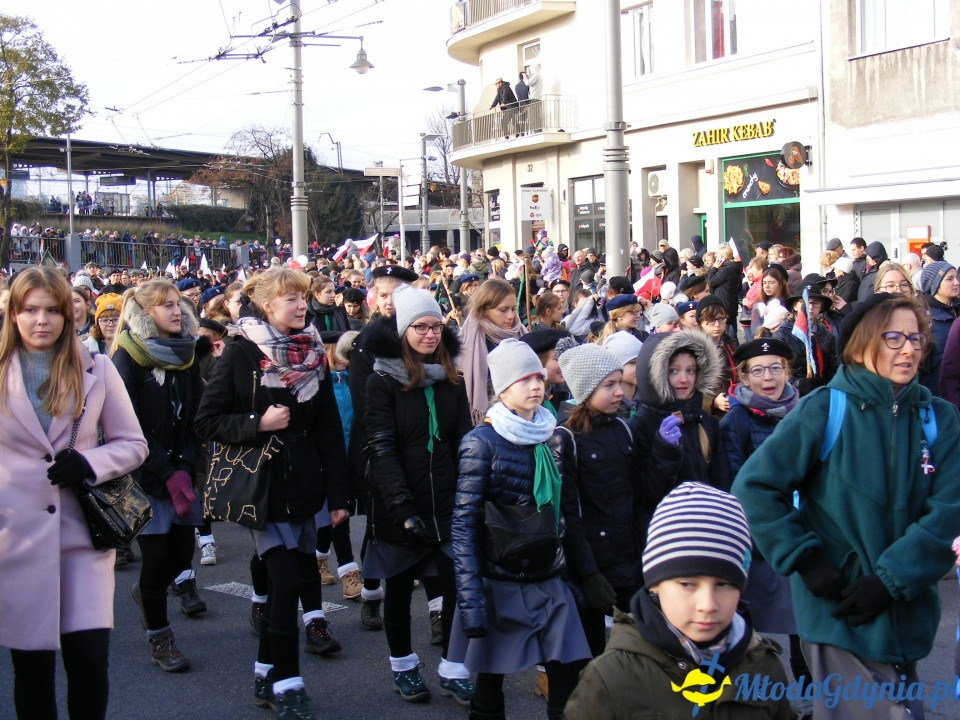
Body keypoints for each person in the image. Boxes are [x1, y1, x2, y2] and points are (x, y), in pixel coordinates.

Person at [732, 293, 960, 720]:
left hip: (908, 616)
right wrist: (805, 560)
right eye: (893, 338)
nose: (909, 349)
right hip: (837, 614)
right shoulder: (826, 407)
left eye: (916, 338)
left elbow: (949, 511)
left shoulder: (939, 418)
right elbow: (755, 487)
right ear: (861, 344)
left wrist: (892, 581)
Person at [194, 268, 350, 718]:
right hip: (262, 487)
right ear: (266, 306)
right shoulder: (241, 352)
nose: (301, 306)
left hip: (306, 484)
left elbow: (328, 429)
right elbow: (207, 421)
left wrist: (339, 496)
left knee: (294, 583)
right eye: (290, 299)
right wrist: (257, 424)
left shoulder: (312, 352)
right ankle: (288, 684)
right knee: (285, 582)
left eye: (303, 298)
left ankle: (265, 674)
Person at [0, 267, 147, 720]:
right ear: (13, 314)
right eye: (30, 310)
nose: (41, 320)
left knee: (88, 662)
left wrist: (90, 463)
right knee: (32, 670)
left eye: (52, 310)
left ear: (69, 315)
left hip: (82, 537)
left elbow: (133, 443)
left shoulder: (97, 368)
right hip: (15, 541)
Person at [563, 483, 793, 720]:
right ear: (655, 584)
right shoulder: (610, 677)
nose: (707, 605)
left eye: (723, 584)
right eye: (687, 584)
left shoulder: (763, 666)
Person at [450, 339, 591, 720]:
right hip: (500, 578)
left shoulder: (553, 435)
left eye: (538, 377)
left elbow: (564, 514)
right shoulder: (481, 442)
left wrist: (579, 576)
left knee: (565, 670)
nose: (535, 385)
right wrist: (471, 599)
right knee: (491, 673)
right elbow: (464, 524)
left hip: (549, 575)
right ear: (502, 387)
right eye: (523, 379)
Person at [360, 287, 475, 705]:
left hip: (446, 499)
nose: (429, 334)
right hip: (400, 501)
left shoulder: (451, 378)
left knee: (455, 588)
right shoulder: (381, 380)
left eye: (436, 327)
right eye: (420, 327)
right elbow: (381, 447)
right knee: (398, 590)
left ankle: (453, 667)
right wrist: (401, 506)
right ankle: (403, 666)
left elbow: (463, 438)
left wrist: (469, 491)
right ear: (403, 331)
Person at [556, 343, 682, 657]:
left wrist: (664, 452)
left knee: (645, 649)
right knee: (591, 656)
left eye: (618, 383)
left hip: (628, 560)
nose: (618, 392)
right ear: (585, 389)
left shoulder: (622, 430)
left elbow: (640, 494)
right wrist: (588, 573)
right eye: (608, 385)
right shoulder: (566, 438)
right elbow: (567, 514)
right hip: (592, 564)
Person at [110, 279, 206, 673]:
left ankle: (145, 592)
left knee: (181, 556)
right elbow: (126, 424)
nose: (175, 310)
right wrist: (166, 468)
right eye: (166, 305)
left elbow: (196, 415)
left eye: (177, 304)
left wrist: (185, 465)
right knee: (155, 559)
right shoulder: (127, 357)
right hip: (145, 476)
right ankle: (160, 636)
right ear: (146, 313)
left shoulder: (186, 354)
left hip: (180, 471)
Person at [719, 337, 809, 686]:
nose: (768, 377)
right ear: (744, 377)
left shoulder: (806, 413)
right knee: (748, 622)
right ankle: (753, 693)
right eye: (757, 371)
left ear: (787, 371)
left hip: (801, 531)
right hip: (758, 538)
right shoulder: (735, 421)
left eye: (775, 368)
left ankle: (809, 694)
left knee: (804, 622)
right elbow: (734, 483)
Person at [632, 329, 729, 489]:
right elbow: (644, 491)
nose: (684, 379)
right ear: (655, 374)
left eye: (690, 371)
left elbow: (721, 479)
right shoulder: (640, 426)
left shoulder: (707, 422)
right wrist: (664, 452)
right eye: (673, 371)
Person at [459, 277, 526, 425]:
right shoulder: (469, 340)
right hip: (485, 422)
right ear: (484, 309)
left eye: (513, 309)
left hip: (521, 418)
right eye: (503, 310)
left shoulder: (522, 334)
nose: (511, 316)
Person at [919, 260, 960, 396]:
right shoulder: (923, 317)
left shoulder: (957, 311)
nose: (957, 282)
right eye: (950, 279)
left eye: (956, 277)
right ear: (935, 284)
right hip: (936, 392)